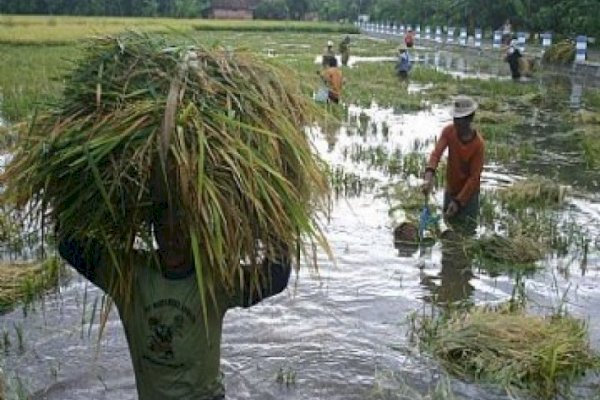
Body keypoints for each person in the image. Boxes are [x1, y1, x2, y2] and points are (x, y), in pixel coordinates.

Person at [57, 168, 291, 400]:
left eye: (181, 228)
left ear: (195, 232)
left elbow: (276, 277)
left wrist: (265, 216)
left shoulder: (212, 281)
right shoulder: (128, 275)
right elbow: (68, 243)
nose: (172, 239)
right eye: (164, 229)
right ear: (153, 230)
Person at [422, 96, 484, 235]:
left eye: (461, 119)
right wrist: (428, 176)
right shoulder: (449, 131)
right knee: (447, 231)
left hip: (469, 196)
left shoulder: (478, 145)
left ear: (470, 119)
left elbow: (474, 178)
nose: (457, 123)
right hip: (451, 189)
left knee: (466, 233)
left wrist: (458, 202)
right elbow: (436, 154)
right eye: (455, 119)